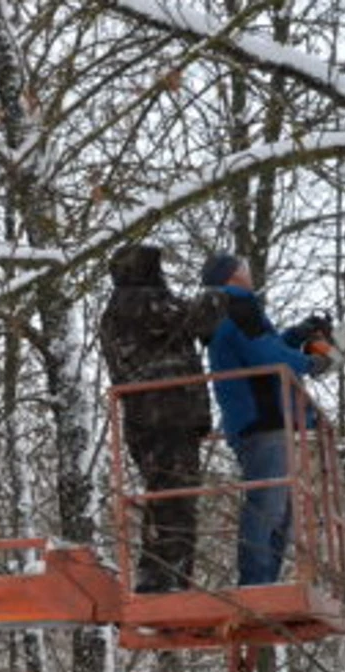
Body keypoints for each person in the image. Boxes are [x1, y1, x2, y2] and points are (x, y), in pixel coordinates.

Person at [200, 252, 336, 587]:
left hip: (258, 419)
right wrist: (310, 364)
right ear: (233, 275)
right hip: (261, 421)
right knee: (268, 506)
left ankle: (264, 580)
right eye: (244, 266)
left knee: (281, 511)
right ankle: (256, 583)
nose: (249, 270)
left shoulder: (232, 312)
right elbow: (266, 355)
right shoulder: (239, 308)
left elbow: (265, 348)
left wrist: (296, 334)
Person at [99, 244, 223, 593]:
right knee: (175, 496)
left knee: (167, 494)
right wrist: (219, 295)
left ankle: (167, 575)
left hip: (148, 416)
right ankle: (162, 576)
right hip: (166, 414)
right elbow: (197, 319)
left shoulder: (120, 309)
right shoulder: (138, 302)